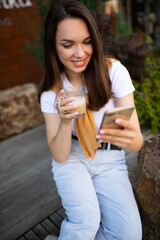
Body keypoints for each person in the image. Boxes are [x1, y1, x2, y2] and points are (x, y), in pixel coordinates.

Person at [40, 0, 143, 240]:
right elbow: (60, 155)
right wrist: (65, 122)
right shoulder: (51, 92)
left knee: (129, 236)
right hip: (73, 156)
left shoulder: (113, 73)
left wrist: (129, 136)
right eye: (68, 45)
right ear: (53, 46)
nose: (80, 53)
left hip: (109, 156)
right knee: (86, 221)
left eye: (87, 42)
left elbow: (136, 143)